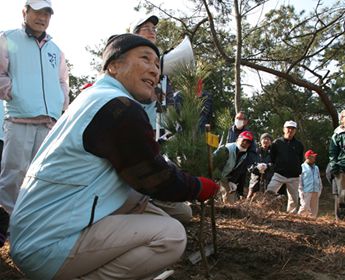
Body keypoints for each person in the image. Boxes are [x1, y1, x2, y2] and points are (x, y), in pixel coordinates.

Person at [9, 33, 219, 280]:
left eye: (157, 65)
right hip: (47, 248)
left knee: (149, 208)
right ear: (114, 65)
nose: (155, 70)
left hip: (34, 234)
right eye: (145, 59)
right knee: (170, 236)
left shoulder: (94, 98)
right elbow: (154, 178)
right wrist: (197, 187)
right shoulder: (119, 107)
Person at [0, 0, 69, 247]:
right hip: (19, 119)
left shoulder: (56, 49)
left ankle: (32, 227)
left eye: (47, 13)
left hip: (49, 122)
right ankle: (8, 229)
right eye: (37, 11)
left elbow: (62, 79)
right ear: (25, 12)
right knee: (13, 175)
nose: (42, 17)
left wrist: (60, 103)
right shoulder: (7, 38)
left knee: (42, 175)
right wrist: (13, 92)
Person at [132, 15, 193, 223]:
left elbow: (167, 99)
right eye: (145, 28)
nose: (152, 31)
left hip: (161, 126)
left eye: (154, 29)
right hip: (140, 128)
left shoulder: (161, 62)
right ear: (134, 34)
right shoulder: (129, 62)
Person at [266, 120, 304, 213]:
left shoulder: (299, 145)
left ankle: (291, 217)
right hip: (279, 174)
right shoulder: (276, 143)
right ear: (284, 129)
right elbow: (272, 157)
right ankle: (267, 210)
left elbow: (300, 159)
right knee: (269, 192)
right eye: (288, 128)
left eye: (292, 129)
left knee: (294, 199)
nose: (290, 130)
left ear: (295, 131)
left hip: (294, 176)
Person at [214, 131, 254, 204]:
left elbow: (239, 170)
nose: (245, 143)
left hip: (225, 177)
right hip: (213, 175)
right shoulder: (227, 149)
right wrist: (216, 181)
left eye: (248, 142)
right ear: (238, 139)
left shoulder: (244, 155)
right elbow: (216, 165)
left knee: (230, 201)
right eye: (244, 140)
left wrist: (232, 181)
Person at [226, 111, 257, 198]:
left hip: (241, 165)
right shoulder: (228, 131)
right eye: (237, 118)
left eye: (241, 119)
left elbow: (252, 153)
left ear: (246, 121)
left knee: (238, 191)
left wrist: (245, 163)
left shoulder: (249, 134)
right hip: (227, 163)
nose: (238, 120)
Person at [329, 109, 345, 219]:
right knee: (342, 195)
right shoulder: (338, 134)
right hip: (342, 167)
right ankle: (341, 219)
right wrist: (334, 166)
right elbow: (333, 152)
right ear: (342, 119)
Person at [247, 133, 273, 199]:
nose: (266, 141)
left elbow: (275, 165)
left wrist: (267, 166)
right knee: (250, 199)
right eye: (264, 139)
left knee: (266, 200)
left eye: (268, 139)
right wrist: (257, 167)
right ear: (261, 141)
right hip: (254, 181)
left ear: (271, 142)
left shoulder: (273, 153)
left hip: (268, 181)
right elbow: (249, 165)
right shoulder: (255, 151)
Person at [298, 149, 322, 218]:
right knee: (304, 206)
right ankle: (298, 220)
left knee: (314, 209)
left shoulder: (316, 167)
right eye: (312, 156)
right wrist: (301, 191)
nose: (314, 158)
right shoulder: (302, 167)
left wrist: (320, 189)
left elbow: (319, 179)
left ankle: (313, 222)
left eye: (314, 156)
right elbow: (300, 181)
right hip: (306, 191)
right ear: (307, 157)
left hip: (316, 190)